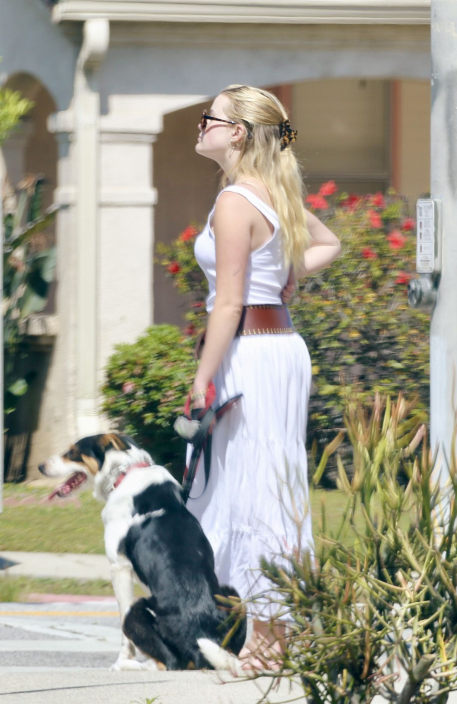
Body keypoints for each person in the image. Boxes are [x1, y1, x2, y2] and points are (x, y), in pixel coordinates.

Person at [185, 84, 341, 669]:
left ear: (239, 133)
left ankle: (269, 639)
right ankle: (277, 628)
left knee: (254, 483)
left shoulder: (233, 202)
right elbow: (329, 242)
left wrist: (202, 377)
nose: (201, 126)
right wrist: (282, 275)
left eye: (211, 118)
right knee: (272, 481)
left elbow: (227, 304)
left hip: (249, 347)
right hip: (280, 346)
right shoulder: (271, 191)